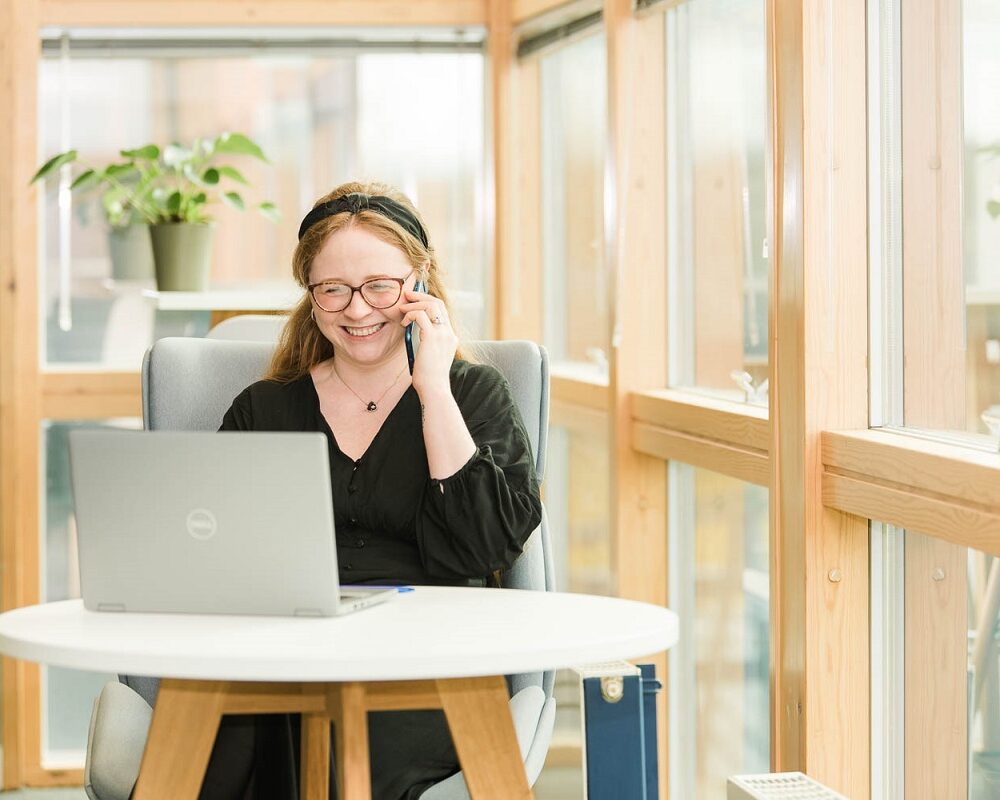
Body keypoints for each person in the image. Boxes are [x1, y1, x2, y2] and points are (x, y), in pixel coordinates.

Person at [203, 181, 544, 800]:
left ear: (420, 282)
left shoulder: (473, 396)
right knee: (214, 755)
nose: (357, 310)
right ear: (311, 295)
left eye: (380, 286)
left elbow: (485, 550)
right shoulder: (264, 407)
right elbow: (217, 553)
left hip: (428, 666)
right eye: (333, 289)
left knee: (336, 756)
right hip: (286, 656)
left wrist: (432, 387)